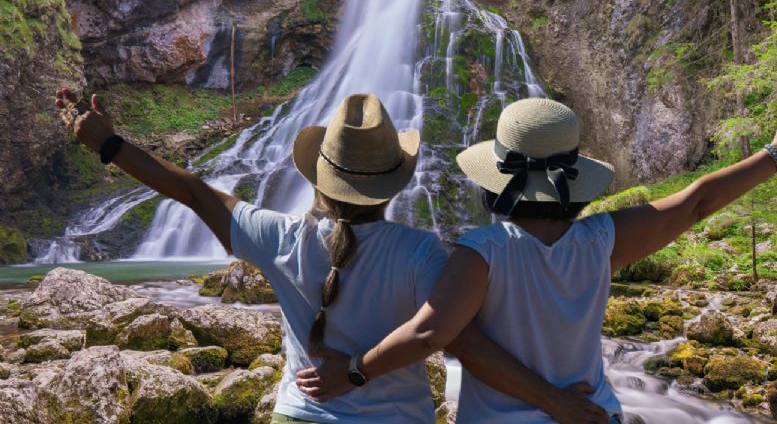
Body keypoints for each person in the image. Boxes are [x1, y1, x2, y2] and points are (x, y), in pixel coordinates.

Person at [54, 90, 609, 424]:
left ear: (318, 177)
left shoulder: (278, 236)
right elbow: (451, 336)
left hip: (300, 414)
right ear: (394, 185)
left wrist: (109, 144)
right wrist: (552, 398)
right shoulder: (422, 252)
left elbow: (194, 191)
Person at [295, 97, 777, 423]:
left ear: (496, 178)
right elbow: (698, 200)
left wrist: (354, 373)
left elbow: (431, 335)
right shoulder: (605, 239)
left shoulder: (481, 252)